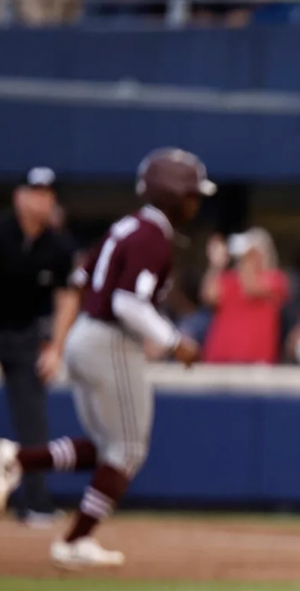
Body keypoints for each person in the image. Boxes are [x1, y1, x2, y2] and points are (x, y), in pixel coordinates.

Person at [0, 148, 210, 568]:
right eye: (191, 194)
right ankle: (75, 541)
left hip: (86, 335)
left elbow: (81, 279)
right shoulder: (151, 234)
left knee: (107, 448)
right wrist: (174, 341)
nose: (196, 203)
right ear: (172, 193)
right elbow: (127, 302)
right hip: (111, 339)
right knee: (129, 449)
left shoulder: (128, 227)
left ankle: (14, 458)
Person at [0, 167, 77, 526]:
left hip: (26, 336)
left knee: (33, 420)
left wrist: (56, 347)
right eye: (35, 192)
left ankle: (35, 503)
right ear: (19, 196)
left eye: (48, 194)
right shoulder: (1, 232)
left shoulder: (59, 245)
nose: (42, 200)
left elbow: (67, 298)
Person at [201, 228, 289, 365]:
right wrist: (216, 265)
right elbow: (208, 296)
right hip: (220, 358)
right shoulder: (230, 278)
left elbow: (252, 288)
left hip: (256, 361)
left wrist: (248, 258)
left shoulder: (276, 279)